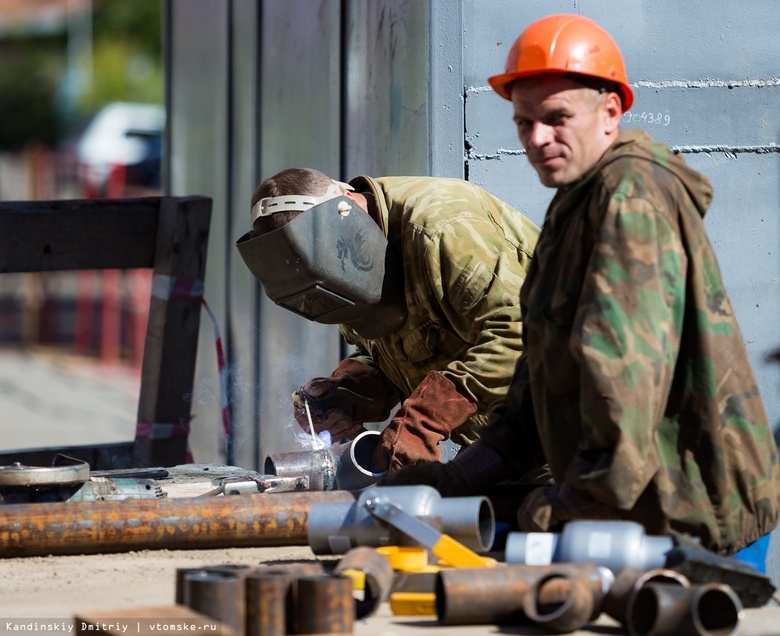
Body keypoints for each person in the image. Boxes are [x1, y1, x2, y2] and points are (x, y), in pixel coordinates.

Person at [380, 13, 780, 565]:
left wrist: (580, 499)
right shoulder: (573, 207)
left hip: (687, 517)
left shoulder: (631, 196)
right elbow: (539, 380)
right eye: (524, 123)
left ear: (611, 111)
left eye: (557, 118)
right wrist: (461, 476)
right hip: (633, 505)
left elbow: (625, 371)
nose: (538, 139)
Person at [236, 168, 540, 472]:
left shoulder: (443, 228)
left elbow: (522, 333)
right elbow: (397, 351)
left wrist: (425, 419)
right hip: (508, 447)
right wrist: (351, 391)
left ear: (347, 205)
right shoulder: (338, 262)